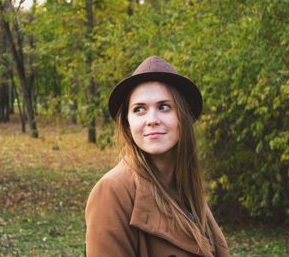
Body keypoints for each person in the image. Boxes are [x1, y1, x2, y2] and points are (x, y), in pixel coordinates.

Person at [85, 56, 229, 257]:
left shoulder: (186, 187)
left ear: (183, 117)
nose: (152, 120)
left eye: (163, 107)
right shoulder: (113, 191)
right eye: (139, 109)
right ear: (128, 123)